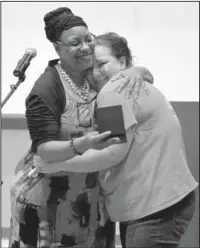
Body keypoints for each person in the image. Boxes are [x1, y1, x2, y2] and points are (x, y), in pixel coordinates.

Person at [36, 32, 199, 248]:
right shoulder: (129, 83)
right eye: (90, 68)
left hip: (154, 207)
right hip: (165, 200)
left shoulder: (113, 93)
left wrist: (55, 162)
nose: (95, 73)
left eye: (102, 64)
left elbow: (111, 153)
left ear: (122, 61)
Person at [9, 8, 154, 248]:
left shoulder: (92, 74)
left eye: (88, 38)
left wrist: (137, 70)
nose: (86, 47)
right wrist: (82, 144)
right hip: (48, 199)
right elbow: (43, 150)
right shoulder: (46, 89)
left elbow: (137, 77)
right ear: (58, 49)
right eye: (75, 43)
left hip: (91, 197)